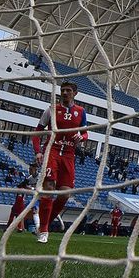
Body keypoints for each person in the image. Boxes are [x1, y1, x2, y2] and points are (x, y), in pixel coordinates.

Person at [32, 81, 88, 244]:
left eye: (68, 90)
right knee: (48, 189)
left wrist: (81, 137)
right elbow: (36, 134)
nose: (64, 93)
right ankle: (44, 232)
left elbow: (85, 134)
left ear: (75, 93)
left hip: (69, 155)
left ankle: (44, 224)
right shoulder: (51, 109)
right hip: (52, 152)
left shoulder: (81, 112)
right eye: (62, 90)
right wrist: (38, 152)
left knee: (65, 195)